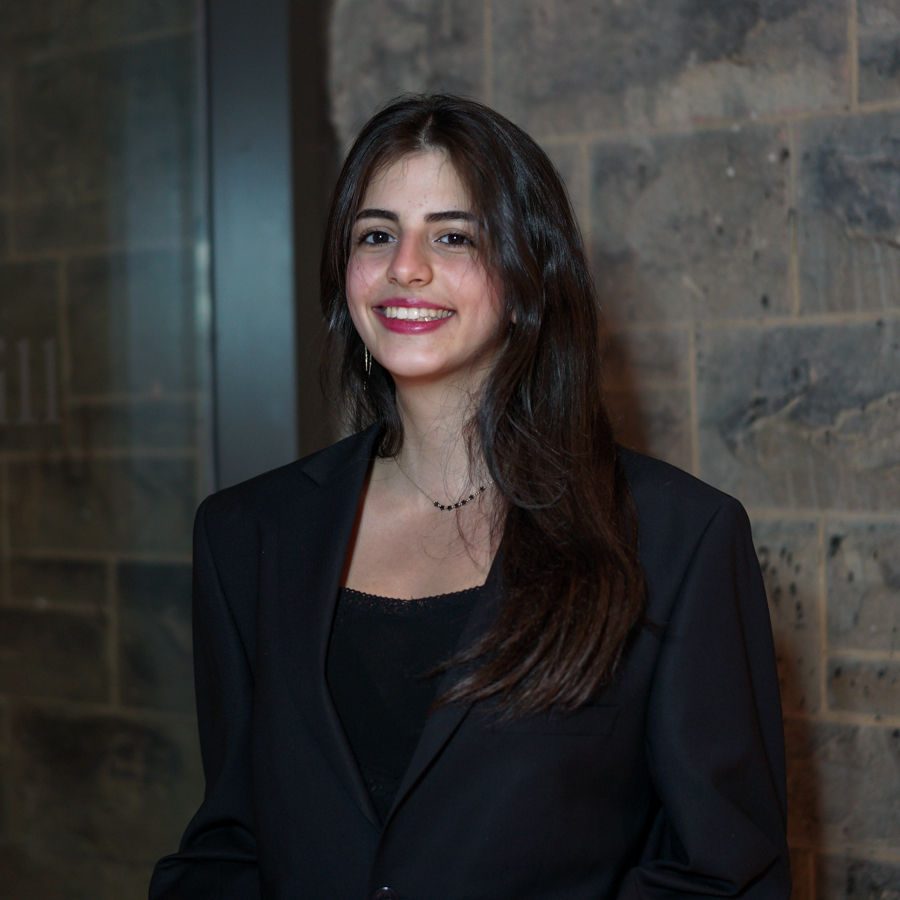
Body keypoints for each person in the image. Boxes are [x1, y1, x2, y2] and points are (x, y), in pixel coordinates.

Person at [150, 94, 790, 900]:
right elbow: (230, 846)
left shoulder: (677, 537)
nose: (404, 266)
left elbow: (726, 874)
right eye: (375, 235)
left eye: (453, 236)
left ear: (531, 272)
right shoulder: (247, 534)